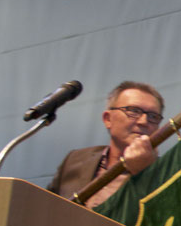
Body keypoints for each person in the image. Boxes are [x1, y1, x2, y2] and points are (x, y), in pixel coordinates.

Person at [47, 80, 164, 208]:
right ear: (108, 119)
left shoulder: (165, 173)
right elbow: (45, 209)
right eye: (134, 111)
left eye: (153, 117)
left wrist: (145, 172)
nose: (143, 121)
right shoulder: (75, 159)